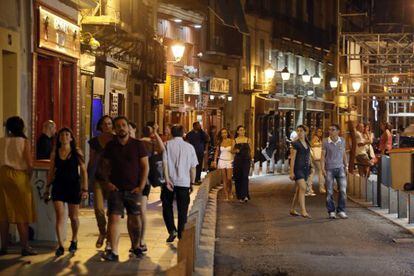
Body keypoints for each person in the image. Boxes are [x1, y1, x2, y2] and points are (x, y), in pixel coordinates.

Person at [98, 116, 149, 261]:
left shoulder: (138, 145)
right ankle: (113, 251)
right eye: (118, 126)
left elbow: (145, 166)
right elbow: (104, 166)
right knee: (113, 218)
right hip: (116, 189)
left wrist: (141, 186)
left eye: (124, 125)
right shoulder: (110, 146)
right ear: (115, 129)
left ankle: (136, 246)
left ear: (128, 127)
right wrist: (107, 183)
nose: (121, 128)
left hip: (134, 189)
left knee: (135, 220)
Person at [44, 128, 88, 256]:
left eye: (67, 134)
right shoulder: (55, 153)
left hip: (73, 186)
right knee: (59, 216)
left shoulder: (76, 152)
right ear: (58, 138)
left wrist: (85, 188)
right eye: (62, 134)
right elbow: (51, 171)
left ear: (71, 138)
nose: (64, 136)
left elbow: (84, 171)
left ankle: (74, 239)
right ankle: (60, 245)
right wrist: (47, 188)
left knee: (73, 217)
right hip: (58, 186)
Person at [0, 116, 37, 256]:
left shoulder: (2, 141)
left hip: (2, 175)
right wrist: (29, 176)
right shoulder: (24, 142)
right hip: (18, 177)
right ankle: (25, 247)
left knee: (3, 213)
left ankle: (3, 247)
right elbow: (29, 164)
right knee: (22, 212)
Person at [162, 124, 198, 242]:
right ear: (183, 133)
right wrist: (192, 182)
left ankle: (172, 230)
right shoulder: (190, 147)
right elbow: (193, 168)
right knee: (183, 209)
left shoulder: (167, 145)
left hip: (169, 182)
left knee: (167, 206)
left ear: (172, 133)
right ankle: (181, 234)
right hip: (184, 182)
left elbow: (165, 164)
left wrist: (167, 180)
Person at [88, 115, 114, 249]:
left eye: (109, 124)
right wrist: (87, 178)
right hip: (98, 177)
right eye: (105, 124)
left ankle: (110, 238)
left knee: (112, 211)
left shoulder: (116, 140)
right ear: (100, 126)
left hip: (112, 179)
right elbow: (91, 160)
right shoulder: (94, 141)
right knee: (98, 209)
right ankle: (102, 232)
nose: (107, 126)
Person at [138, 123, 165, 253]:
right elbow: (163, 150)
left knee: (136, 212)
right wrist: (156, 133)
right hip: (147, 179)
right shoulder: (152, 144)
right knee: (142, 211)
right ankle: (140, 240)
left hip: (135, 178)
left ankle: (138, 241)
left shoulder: (137, 143)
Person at [321, 124, 349, 219]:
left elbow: (344, 153)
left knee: (343, 190)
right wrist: (322, 168)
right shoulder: (325, 141)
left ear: (338, 131)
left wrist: (346, 166)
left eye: (333, 129)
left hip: (340, 168)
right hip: (329, 169)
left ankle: (341, 210)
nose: (330, 131)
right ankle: (331, 211)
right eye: (329, 129)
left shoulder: (342, 141)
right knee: (329, 192)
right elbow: (322, 156)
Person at [289, 125, 312, 219]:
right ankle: (303, 211)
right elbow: (293, 158)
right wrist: (291, 172)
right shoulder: (295, 143)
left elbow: (308, 156)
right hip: (298, 169)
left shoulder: (307, 142)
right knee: (303, 187)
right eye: (298, 130)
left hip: (305, 169)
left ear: (306, 132)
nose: (299, 132)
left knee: (298, 190)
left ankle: (292, 209)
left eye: (301, 130)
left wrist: (311, 166)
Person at [212, 128, 235, 201]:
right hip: (222, 161)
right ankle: (226, 196)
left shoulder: (232, 141)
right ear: (221, 135)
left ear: (227, 133)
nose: (224, 134)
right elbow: (217, 152)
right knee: (224, 179)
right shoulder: (219, 142)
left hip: (229, 160)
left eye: (225, 132)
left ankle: (230, 191)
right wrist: (215, 161)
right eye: (222, 133)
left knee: (229, 178)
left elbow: (234, 151)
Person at [233, 125, 253, 203]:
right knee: (238, 177)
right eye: (240, 130)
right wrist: (235, 151)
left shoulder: (248, 140)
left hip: (246, 160)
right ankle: (239, 195)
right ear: (237, 131)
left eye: (243, 130)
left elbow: (251, 150)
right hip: (238, 160)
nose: (242, 131)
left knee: (245, 177)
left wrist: (251, 159)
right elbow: (232, 150)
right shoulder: (235, 140)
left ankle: (244, 195)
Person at [307, 128, 325, 195]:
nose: (320, 133)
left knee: (312, 171)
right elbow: (310, 145)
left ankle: (309, 188)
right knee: (321, 171)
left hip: (313, 157)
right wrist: (319, 145)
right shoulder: (316, 138)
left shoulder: (317, 138)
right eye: (319, 131)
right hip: (316, 157)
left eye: (321, 131)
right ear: (316, 132)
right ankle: (321, 187)